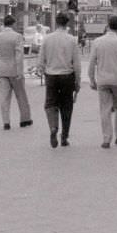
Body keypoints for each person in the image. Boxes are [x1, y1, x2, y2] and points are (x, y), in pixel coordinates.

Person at [37, 12, 81, 148]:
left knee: (50, 104)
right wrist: (78, 81)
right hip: (67, 75)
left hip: (51, 75)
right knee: (67, 106)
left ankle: (53, 128)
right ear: (67, 23)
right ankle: (64, 137)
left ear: (56, 23)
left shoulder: (47, 39)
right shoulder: (72, 40)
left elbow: (41, 59)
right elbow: (77, 63)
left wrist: (42, 70)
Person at [88, 16, 117, 149]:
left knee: (105, 109)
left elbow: (91, 62)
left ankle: (106, 139)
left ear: (107, 25)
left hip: (102, 79)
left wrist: (91, 78)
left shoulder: (97, 41)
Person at [0, 15, 31, 130]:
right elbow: (19, 55)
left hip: (2, 70)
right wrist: (20, 71)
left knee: (4, 97)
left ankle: (6, 122)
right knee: (21, 96)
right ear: (13, 24)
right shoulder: (17, 36)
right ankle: (25, 119)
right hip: (14, 70)